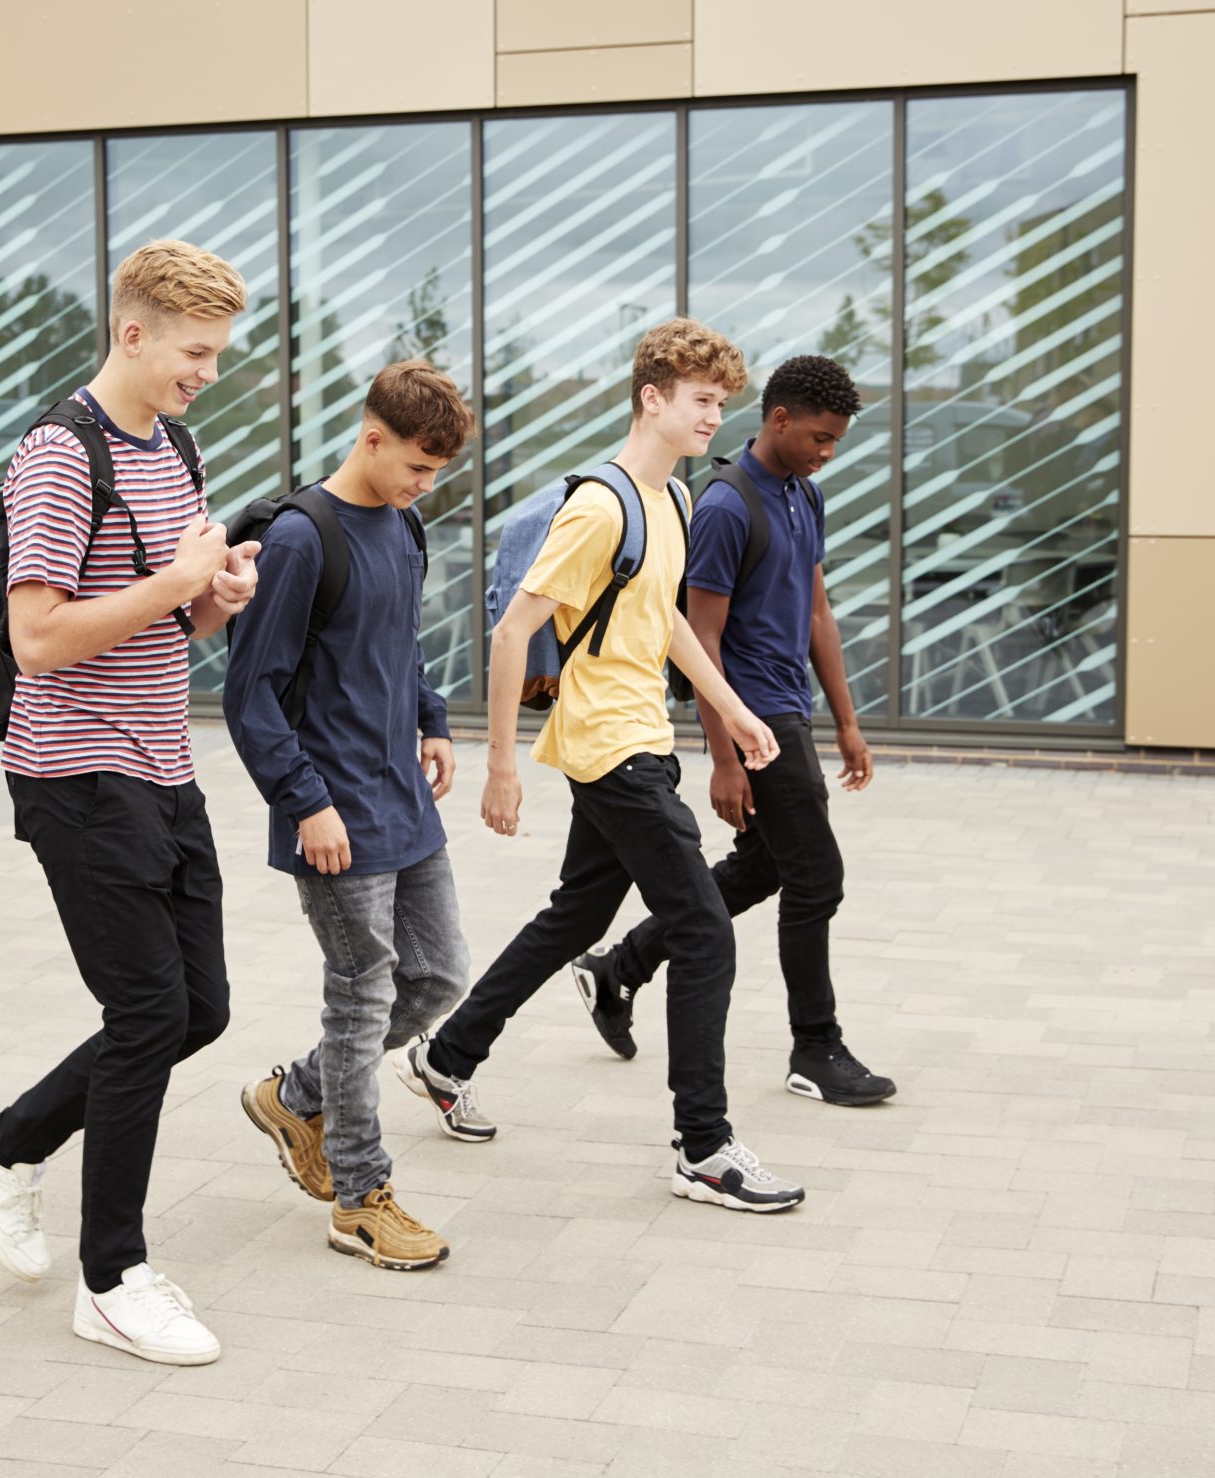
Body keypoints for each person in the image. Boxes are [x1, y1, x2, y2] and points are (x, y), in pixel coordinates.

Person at [398, 318, 808, 1214]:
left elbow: (660, 620)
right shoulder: (601, 504)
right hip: (608, 749)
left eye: (720, 403)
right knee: (703, 929)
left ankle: (447, 1053)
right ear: (651, 398)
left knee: (575, 911)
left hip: (642, 739)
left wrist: (733, 712)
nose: (713, 418)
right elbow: (512, 628)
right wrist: (500, 764)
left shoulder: (676, 503)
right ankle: (703, 1147)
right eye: (702, 401)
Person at [0, 239, 259, 1367]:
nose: (206, 374)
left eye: (217, 357)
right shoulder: (57, 459)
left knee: (200, 1007)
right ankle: (112, 1276)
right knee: (145, 1015)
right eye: (194, 353)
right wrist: (176, 583)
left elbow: (165, 622)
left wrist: (213, 599)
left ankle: (8, 1141)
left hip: (164, 766)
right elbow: (36, 640)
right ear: (132, 333)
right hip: (76, 772)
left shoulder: (173, 444)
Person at [570, 355, 896, 1107]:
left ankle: (619, 966)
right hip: (752, 714)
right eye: (819, 437)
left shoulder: (802, 495)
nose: (826, 452)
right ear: (778, 419)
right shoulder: (723, 505)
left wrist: (848, 722)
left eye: (837, 441)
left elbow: (817, 612)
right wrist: (723, 759)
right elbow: (698, 639)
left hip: (792, 708)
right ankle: (815, 1046)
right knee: (817, 876)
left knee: (765, 866)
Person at [224, 361, 474, 1272]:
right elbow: (251, 695)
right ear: (371, 436)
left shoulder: (404, 523)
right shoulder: (301, 538)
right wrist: (306, 804)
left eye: (438, 472)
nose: (425, 485)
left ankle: (296, 1094)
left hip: (400, 795)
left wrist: (433, 718)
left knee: (439, 977)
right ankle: (361, 1199)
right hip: (331, 811)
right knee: (362, 997)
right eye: (416, 465)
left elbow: (399, 643)